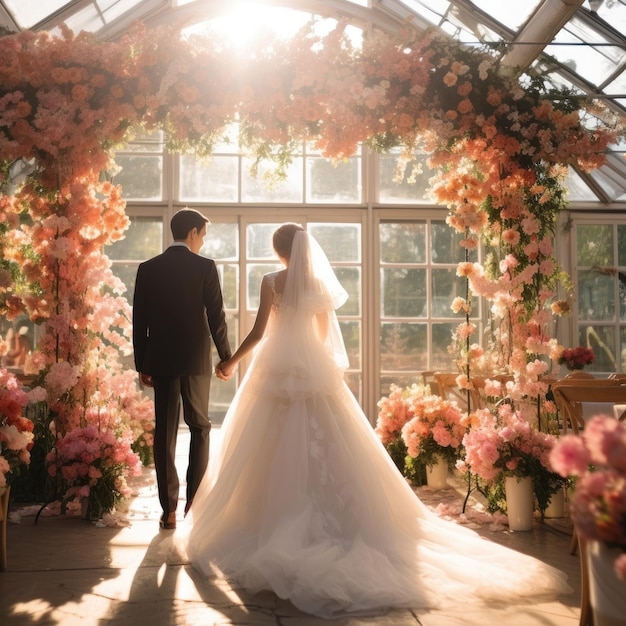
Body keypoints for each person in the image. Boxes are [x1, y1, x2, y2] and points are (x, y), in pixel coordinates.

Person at [176, 223, 571, 618]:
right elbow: (324, 335)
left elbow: (260, 331)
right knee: (330, 445)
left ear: (279, 252)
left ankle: (263, 518)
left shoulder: (271, 281)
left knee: (262, 446)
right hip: (311, 370)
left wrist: (230, 360)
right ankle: (342, 518)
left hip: (276, 370)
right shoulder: (315, 284)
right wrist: (323, 369)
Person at [132, 208, 231, 530]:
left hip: (160, 359)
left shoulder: (148, 268)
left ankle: (168, 510)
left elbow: (140, 322)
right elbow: (216, 316)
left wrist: (141, 363)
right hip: (196, 359)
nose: (203, 241)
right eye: (203, 234)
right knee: (200, 426)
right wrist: (225, 357)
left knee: (165, 431)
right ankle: (194, 503)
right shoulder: (204, 267)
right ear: (192, 232)